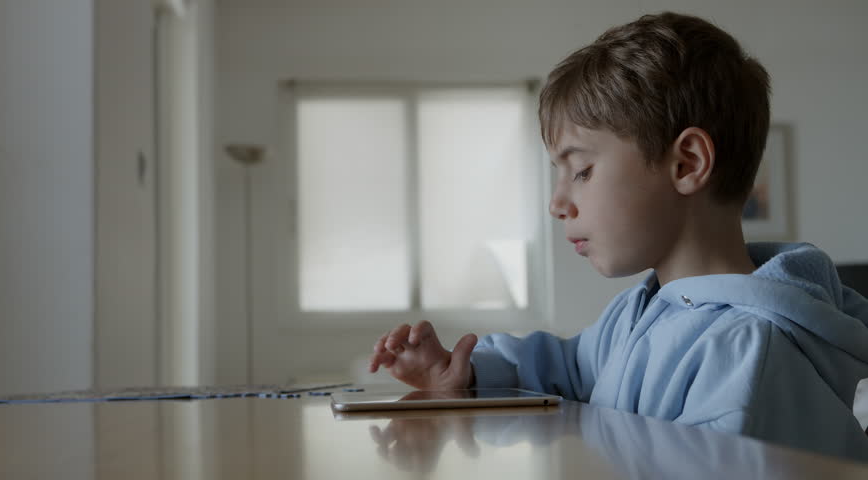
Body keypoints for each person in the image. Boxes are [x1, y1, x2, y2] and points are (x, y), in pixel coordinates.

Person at [367, 12, 868, 462]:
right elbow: (567, 365)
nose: (557, 203)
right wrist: (464, 373)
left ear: (686, 164)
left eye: (581, 171)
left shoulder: (745, 354)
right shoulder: (640, 312)